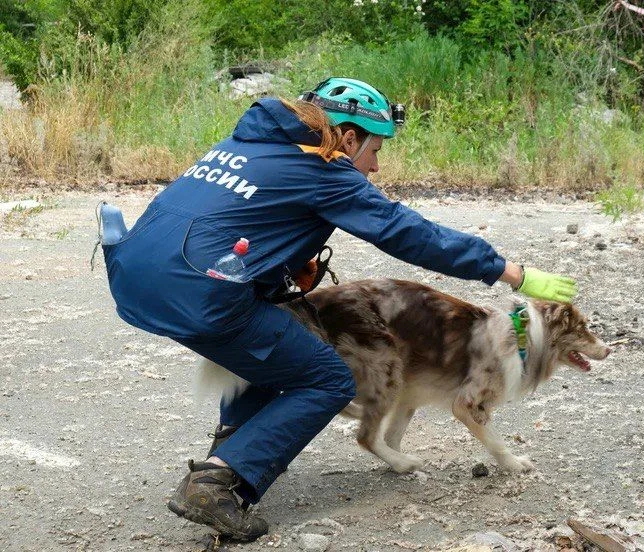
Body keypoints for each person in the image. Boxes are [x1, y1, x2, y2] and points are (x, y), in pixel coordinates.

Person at [101, 77, 577, 541]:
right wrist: (508, 271)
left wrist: (280, 266)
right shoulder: (323, 167)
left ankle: (232, 448)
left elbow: (227, 220)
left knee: (280, 343)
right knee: (328, 379)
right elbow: (407, 232)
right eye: (374, 152)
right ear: (349, 137)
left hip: (134, 277)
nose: (372, 168)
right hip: (199, 295)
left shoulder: (246, 145)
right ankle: (215, 482)